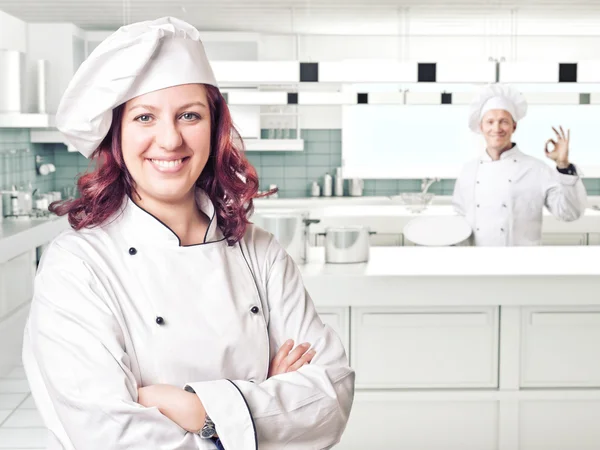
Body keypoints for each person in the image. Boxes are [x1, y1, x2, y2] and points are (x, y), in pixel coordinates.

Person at [22, 16, 354, 450]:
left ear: (214, 127)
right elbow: (108, 436)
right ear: (116, 135)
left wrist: (199, 411)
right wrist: (261, 404)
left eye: (189, 115)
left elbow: (331, 397)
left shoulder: (260, 252)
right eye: (144, 117)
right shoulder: (78, 265)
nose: (169, 139)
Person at [452, 83, 587, 246]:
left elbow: (570, 213)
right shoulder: (469, 170)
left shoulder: (536, 169)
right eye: (490, 122)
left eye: (503, 121)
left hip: (524, 264)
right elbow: (460, 220)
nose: (497, 128)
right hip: (478, 263)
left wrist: (564, 166)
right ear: (481, 127)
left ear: (514, 126)